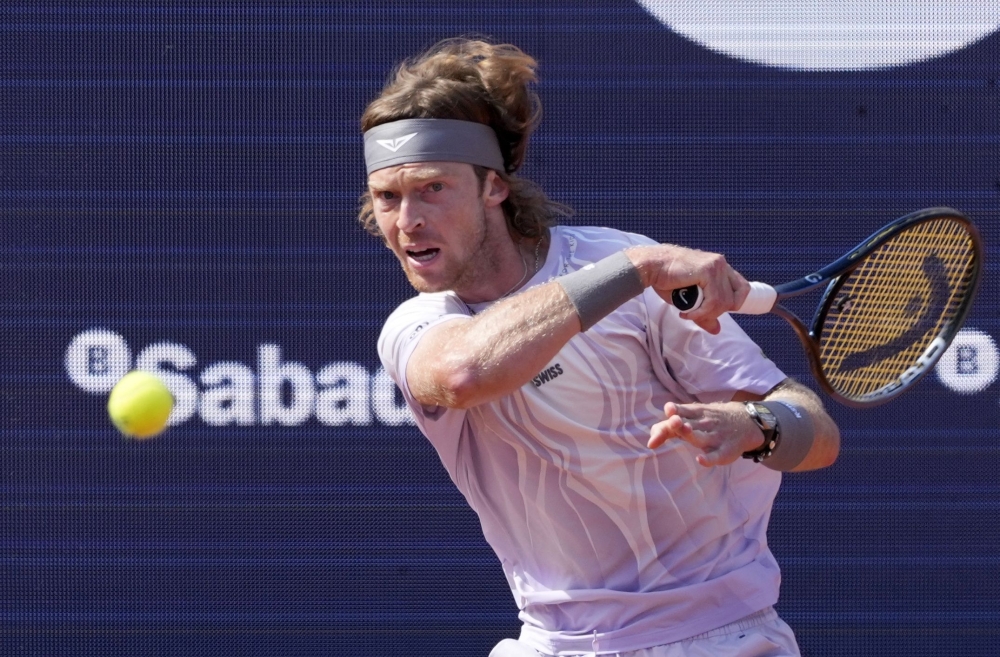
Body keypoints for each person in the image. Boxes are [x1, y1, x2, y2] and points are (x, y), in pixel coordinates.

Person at [361, 38, 840, 657]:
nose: (407, 221)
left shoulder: (613, 264)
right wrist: (636, 268)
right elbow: (464, 373)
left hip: (723, 637)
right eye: (387, 198)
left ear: (493, 188)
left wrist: (757, 424)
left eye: (432, 189)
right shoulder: (416, 326)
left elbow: (818, 434)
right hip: (557, 644)